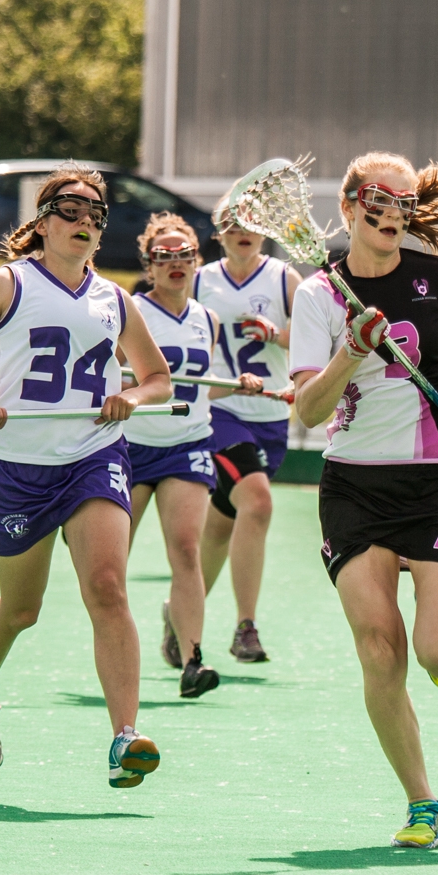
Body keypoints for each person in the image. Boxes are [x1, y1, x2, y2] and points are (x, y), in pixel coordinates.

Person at [288, 151, 438, 850]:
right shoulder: (318, 294)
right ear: (351, 205)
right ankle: (422, 801)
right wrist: (349, 353)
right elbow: (305, 410)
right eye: (381, 199)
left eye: (406, 202)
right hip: (354, 487)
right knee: (380, 651)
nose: (394, 213)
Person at [0, 163, 173, 787]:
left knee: (108, 586)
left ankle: (125, 736)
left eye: (95, 215)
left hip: (94, 455)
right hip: (18, 465)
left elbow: (158, 379)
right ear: (43, 221)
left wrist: (133, 397)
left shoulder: (113, 300)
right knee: (21, 611)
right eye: (70, 211)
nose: (84, 223)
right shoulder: (4, 284)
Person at [122, 213, 265, 698]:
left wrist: (237, 386)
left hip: (186, 447)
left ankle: (191, 660)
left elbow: (201, 392)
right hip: (131, 446)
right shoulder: (130, 312)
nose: (176, 263)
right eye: (164, 256)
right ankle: (120, 652)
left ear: (196, 261)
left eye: (184, 254)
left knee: (186, 551)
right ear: (149, 264)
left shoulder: (208, 318)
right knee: (108, 560)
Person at [192, 195, 303, 665]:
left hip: (271, 416)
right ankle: (246, 627)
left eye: (254, 223)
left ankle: (180, 615)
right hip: (220, 410)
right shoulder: (200, 280)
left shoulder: (284, 279)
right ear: (219, 231)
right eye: (234, 223)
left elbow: (324, 333)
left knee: (223, 522)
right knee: (256, 502)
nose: (244, 230)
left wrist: (276, 334)